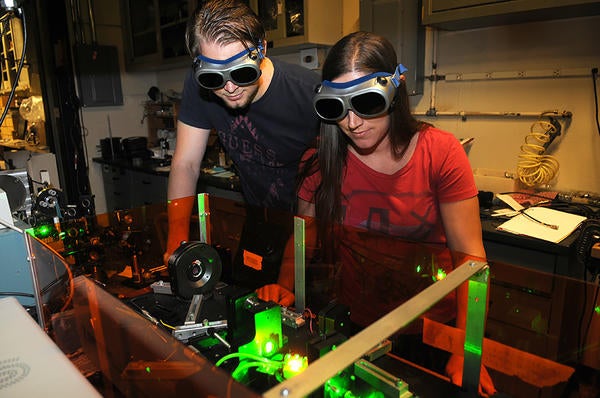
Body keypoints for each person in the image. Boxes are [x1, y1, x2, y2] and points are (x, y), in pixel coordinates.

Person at [257, 31, 497, 396]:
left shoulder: (441, 153)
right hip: (356, 325)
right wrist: (285, 288)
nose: (352, 122)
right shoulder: (321, 161)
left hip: (430, 331)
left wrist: (468, 346)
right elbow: (301, 238)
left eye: (366, 103)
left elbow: (471, 260)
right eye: (338, 108)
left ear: (394, 92)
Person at [164, 0, 321, 273]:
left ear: (263, 47)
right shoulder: (198, 84)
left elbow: (330, 190)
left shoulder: (308, 95)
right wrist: (176, 243)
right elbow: (185, 164)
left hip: (309, 232)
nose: (229, 87)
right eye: (214, 77)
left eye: (241, 72)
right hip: (258, 223)